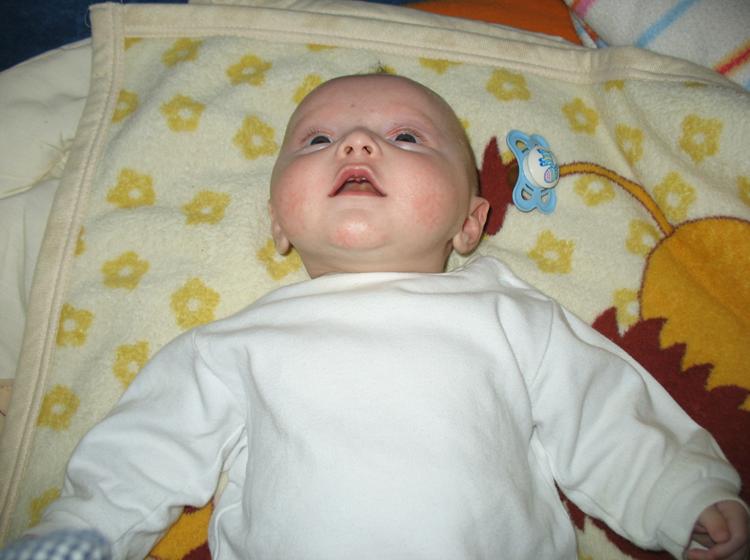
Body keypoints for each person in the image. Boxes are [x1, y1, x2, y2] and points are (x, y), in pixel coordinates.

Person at [4, 74, 747, 560]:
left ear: (470, 222)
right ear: (278, 223)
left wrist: (678, 494)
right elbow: (150, 447)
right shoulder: (236, 345)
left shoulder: (507, 316)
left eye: (407, 138)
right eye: (317, 140)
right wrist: (83, 531)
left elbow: (602, 412)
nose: (357, 143)